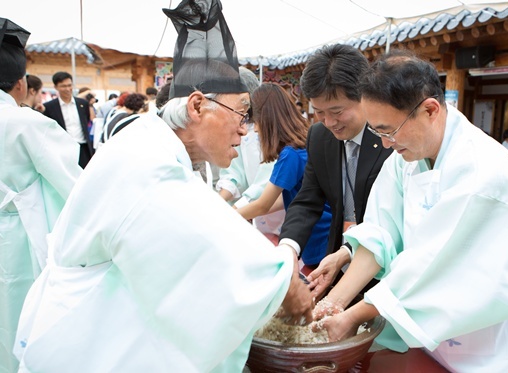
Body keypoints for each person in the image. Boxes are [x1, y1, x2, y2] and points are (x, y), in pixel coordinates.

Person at [14, 1, 313, 371]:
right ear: (198, 106)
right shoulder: (148, 160)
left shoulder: (155, 145)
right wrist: (283, 279)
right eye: (240, 112)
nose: (244, 128)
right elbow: (203, 246)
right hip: (88, 338)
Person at [310, 50, 508, 372]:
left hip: (492, 337)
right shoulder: (406, 160)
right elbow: (381, 233)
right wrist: (336, 302)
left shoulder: (485, 171)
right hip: (439, 334)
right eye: (378, 132)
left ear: (429, 110)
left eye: (388, 130)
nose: (386, 144)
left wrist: (354, 316)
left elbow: (435, 262)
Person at [0, 18, 82, 373]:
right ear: (21, 84)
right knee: (18, 313)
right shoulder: (25, 124)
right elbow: (73, 185)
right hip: (16, 237)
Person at [277, 44, 392, 290]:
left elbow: (390, 219)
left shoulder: (390, 138)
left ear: (364, 96)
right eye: (319, 112)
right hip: (337, 263)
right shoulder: (319, 136)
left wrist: (349, 251)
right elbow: (307, 201)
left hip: (384, 269)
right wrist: (288, 248)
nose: (329, 122)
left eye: (337, 111)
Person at [236, 83, 332, 266]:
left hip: (316, 237)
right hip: (323, 234)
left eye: (256, 122)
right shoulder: (303, 145)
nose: (255, 130)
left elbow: (263, 204)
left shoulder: (290, 155)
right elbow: (283, 199)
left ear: (267, 120)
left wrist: (227, 217)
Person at [216, 67, 285, 242]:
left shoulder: (273, 130)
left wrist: (235, 210)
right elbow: (234, 172)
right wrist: (219, 201)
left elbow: (266, 181)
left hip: (276, 211)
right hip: (256, 216)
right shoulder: (239, 126)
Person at [43, 71, 93, 168]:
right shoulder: (49, 107)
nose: (67, 89)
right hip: (62, 149)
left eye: (69, 85)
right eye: (63, 86)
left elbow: (85, 121)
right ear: (56, 87)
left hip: (83, 148)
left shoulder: (83, 104)